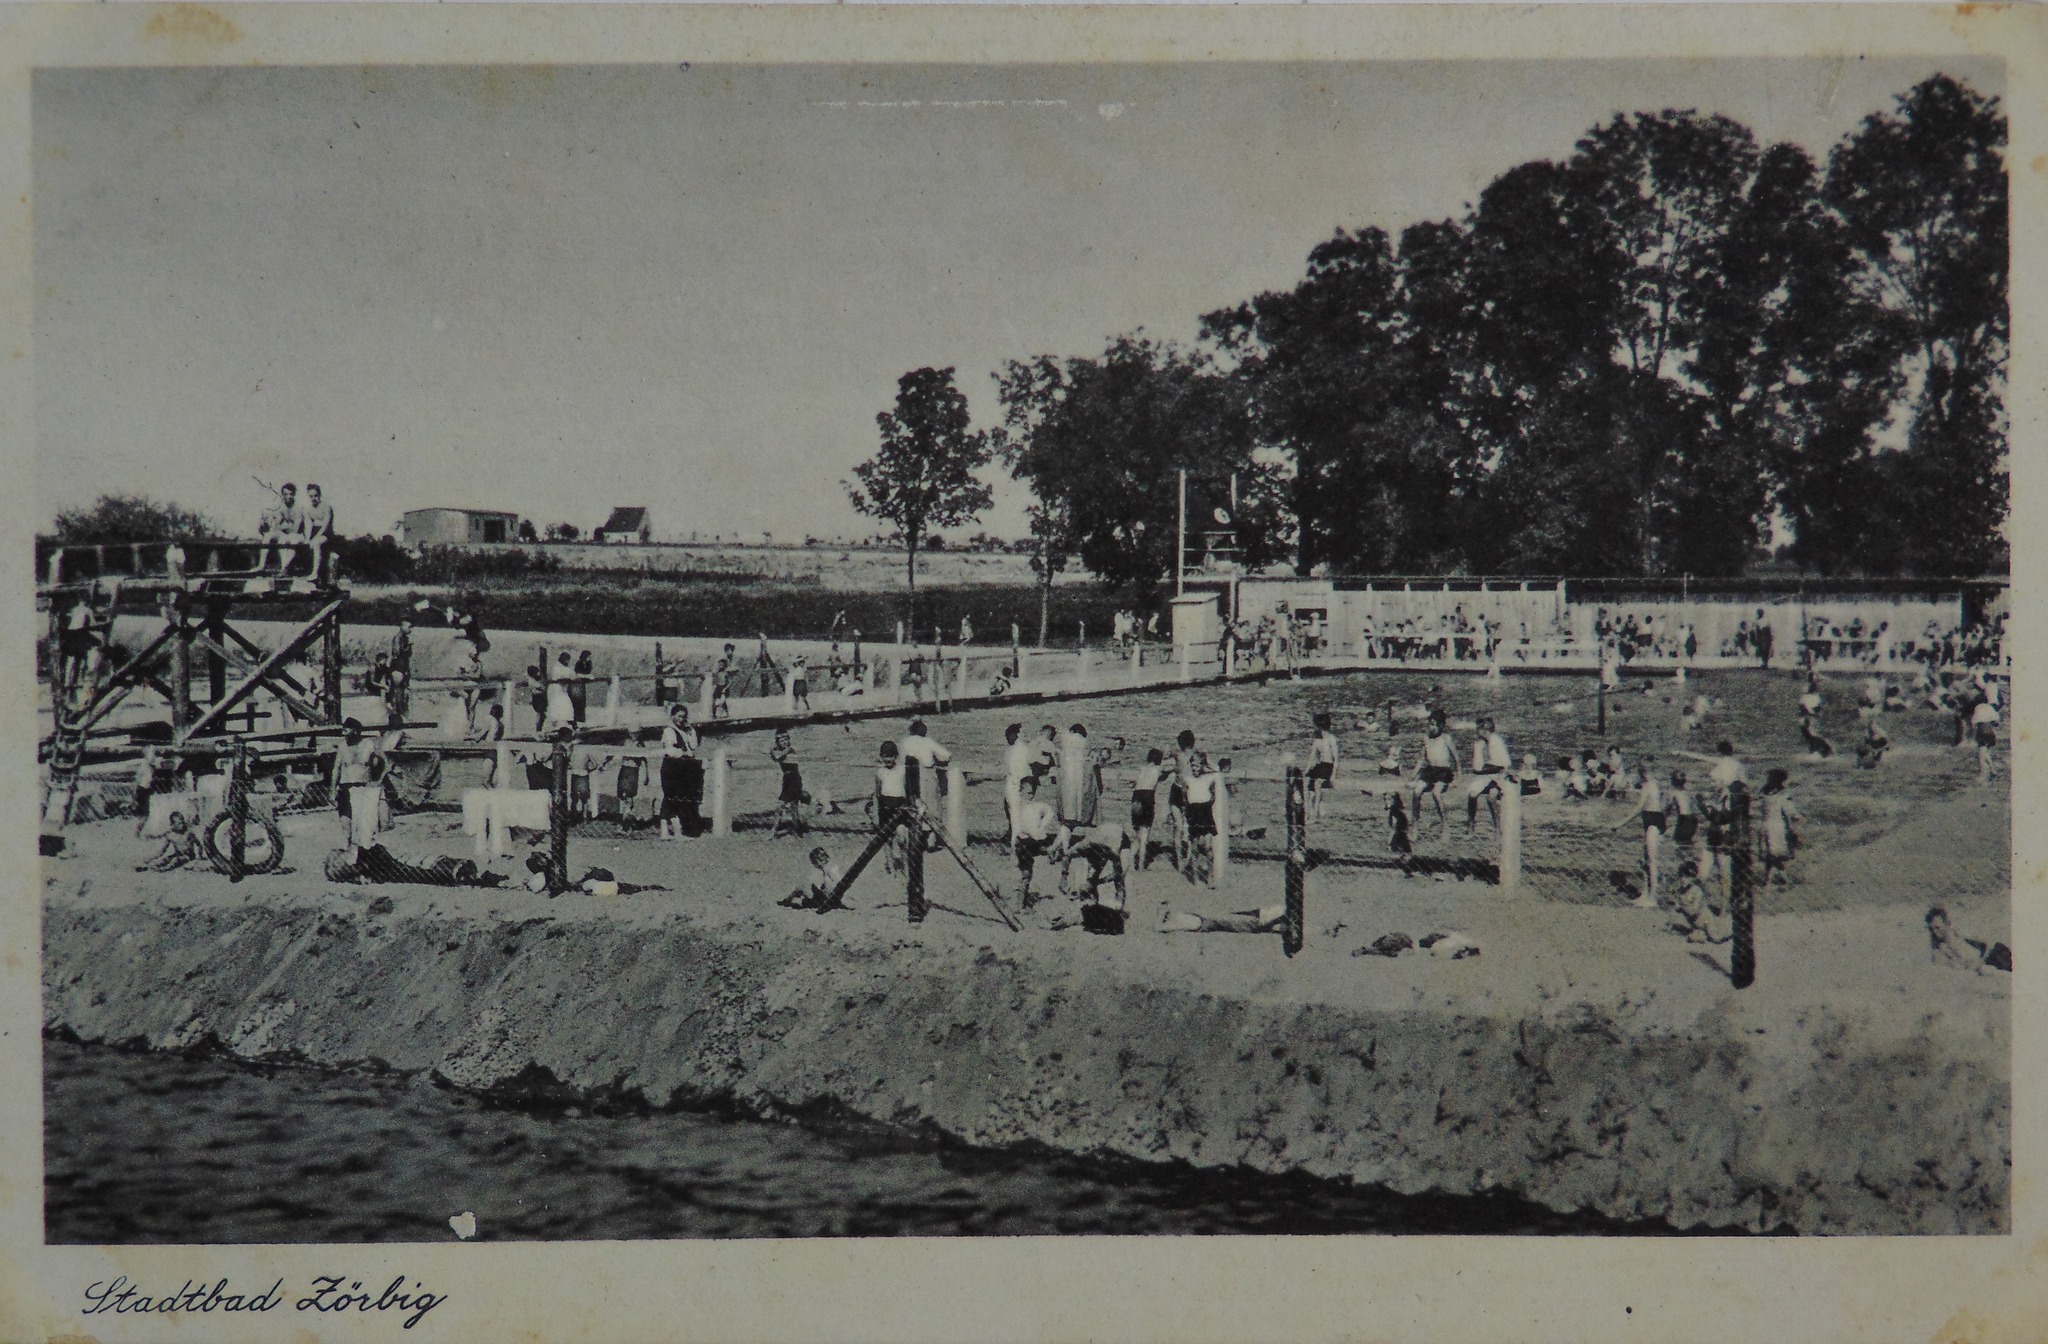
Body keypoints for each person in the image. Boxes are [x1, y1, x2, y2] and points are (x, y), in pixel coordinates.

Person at [1010, 775, 1062, 907]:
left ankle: (1021, 902)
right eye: (1028, 793)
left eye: (1032, 793)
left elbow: (1049, 811)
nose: (1031, 796)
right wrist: (1039, 833)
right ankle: (1018, 904)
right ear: (1020, 792)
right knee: (1025, 874)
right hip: (1023, 844)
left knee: (1028, 874)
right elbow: (1021, 830)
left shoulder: (1034, 807)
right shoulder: (1018, 808)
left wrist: (1042, 826)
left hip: (1031, 842)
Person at [658, 704, 702, 841]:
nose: (681, 719)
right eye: (679, 716)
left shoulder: (686, 731)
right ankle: (667, 830)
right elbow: (670, 751)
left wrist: (691, 730)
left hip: (684, 768)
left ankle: (675, 831)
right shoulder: (669, 731)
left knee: (678, 798)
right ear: (672, 716)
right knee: (670, 797)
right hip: (672, 767)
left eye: (683, 717)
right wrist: (685, 753)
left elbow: (694, 745)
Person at [1464, 715, 1511, 831]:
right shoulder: (1479, 744)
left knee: (1491, 797)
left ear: (1484, 730)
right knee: (1472, 794)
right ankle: (1471, 823)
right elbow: (1476, 767)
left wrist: (1492, 769)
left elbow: (1505, 763)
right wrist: (1480, 769)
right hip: (1484, 775)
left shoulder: (1496, 741)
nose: (1477, 732)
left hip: (1498, 775)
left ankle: (1497, 826)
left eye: (1478, 729)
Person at [872, 741, 911, 876]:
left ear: (896, 756)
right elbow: (877, 794)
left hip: (900, 807)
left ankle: (905, 866)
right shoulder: (880, 772)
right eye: (885, 756)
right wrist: (876, 814)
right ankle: (890, 866)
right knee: (887, 839)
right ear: (881, 757)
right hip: (885, 807)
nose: (888, 759)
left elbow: (907, 790)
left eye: (891, 756)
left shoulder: (902, 771)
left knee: (902, 837)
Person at [1181, 751, 1220, 887]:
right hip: (1194, 813)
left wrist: (1206, 760)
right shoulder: (1187, 780)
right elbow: (1185, 800)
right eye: (1192, 766)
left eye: (1197, 766)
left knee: (1208, 847)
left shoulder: (1209, 778)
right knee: (1195, 848)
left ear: (1202, 766)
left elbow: (1217, 771)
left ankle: (1210, 876)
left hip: (1206, 812)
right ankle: (1195, 876)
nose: (1194, 769)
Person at [1414, 713, 1458, 834]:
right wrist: (1412, 777)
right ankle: (1415, 824)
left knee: (1436, 793)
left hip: (1443, 772)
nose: (1431, 727)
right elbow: (1421, 759)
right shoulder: (1426, 738)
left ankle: (1444, 824)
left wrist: (1457, 777)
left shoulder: (1446, 738)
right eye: (1430, 724)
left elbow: (1456, 758)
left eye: (1434, 725)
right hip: (1430, 771)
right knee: (1416, 791)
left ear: (1441, 725)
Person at [1758, 768, 1801, 886]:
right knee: (1776, 856)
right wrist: (1798, 817)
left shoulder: (1764, 793)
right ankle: (1781, 879)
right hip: (1778, 827)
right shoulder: (1783, 795)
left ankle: (1768, 879)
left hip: (1765, 826)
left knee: (1769, 855)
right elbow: (1790, 811)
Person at [899, 720, 953, 809]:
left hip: (907, 773)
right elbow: (947, 755)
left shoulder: (905, 741)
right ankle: (944, 795)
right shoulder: (928, 741)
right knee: (941, 770)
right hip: (925, 773)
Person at [780, 847, 848, 912]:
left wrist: (824, 890)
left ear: (827, 858)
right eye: (815, 862)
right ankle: (794, 900)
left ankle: (787, 900)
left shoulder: (831, 870)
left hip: (829, 898)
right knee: (807, 892)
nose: (819, 863)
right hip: (829, 898)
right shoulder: (828, 869)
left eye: (821, 860)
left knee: (801, 888)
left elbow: (838, 884)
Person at [136, 811, 204, 873]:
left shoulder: (188, 833)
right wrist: (150, 858)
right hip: (177, 854)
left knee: (175, 860)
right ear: (172, 824)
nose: (181, 825)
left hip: (188, 856)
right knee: (165, 859)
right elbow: (162, 851)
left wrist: (199, 857)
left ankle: (164, 869)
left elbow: (199, 845)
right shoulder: (170, 835)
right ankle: (148, 867)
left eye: (181, 823)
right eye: (177, 824)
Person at [1130, 747, 1163, 871]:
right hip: (1148, 796)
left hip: (1136, 796)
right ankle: (1141, 865)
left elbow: (1134, 783)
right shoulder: (1158, 769)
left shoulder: (1141, 768)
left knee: (1136, 834)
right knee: (1144, 834)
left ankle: (1130, 863)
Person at [770, 728, 806, 839]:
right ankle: (774, 831)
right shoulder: (778, 750)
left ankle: (796, 830)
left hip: (795, 779)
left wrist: (785, 750)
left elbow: (778, 757)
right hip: (786, 779)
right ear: (777, 742)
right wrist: (778, 750)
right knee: (780, 806)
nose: (784, 742)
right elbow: (776, 756)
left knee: (793, 805)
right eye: (781, 740)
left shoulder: (791, 750)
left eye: (786, 740)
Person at [1307, 712, 1339, 822]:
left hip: (1328, 766)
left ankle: (1315, 814)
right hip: (1320, 766)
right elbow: (1312, 756)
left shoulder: (1331, 739)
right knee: (1308, 785)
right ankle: (1311, 810)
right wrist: (1307, 770)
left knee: (1317, 784)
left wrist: (1333, 775)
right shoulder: (1317, 740)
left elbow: (1336, 759)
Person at [546, 651, 575, 733]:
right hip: (556, 689)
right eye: (567, 660)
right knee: (558, 705)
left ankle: (563, 725)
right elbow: (560, 678)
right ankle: (557, 725)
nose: (568, 662)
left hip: (561, 689)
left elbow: (572, 676)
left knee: (564, 705)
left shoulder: (565, 668)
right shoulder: (557, 668)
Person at [570, 650, 594, 724]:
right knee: (577, 702)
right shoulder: (579, 663)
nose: (589, 658)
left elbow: (588, 672)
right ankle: (576, 719)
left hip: (582, 684)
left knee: (582, 702)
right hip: (577, 685)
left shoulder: (588, 663)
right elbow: (577, 673)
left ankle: (581, 720)